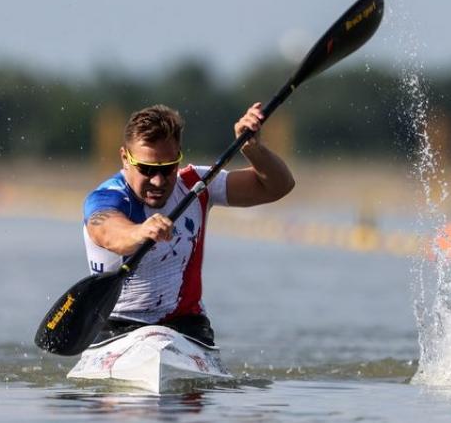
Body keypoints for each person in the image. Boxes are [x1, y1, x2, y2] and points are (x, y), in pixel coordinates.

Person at [83, 103, 295, 346]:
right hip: (117, 326)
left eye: (168, 168)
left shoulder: (197, 184)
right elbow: (109, 233)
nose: (158, 180)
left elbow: (279, 186)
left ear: (179, 156)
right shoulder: (106, 198)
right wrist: (141, 231)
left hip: (186, 326)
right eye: (147, 169)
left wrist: (253, 149)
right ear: (125, 158)